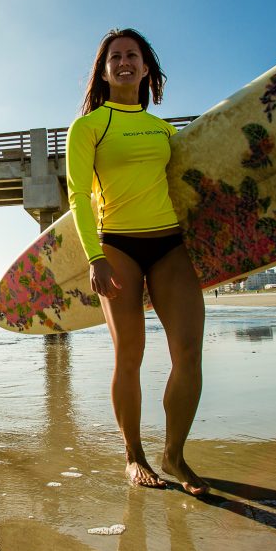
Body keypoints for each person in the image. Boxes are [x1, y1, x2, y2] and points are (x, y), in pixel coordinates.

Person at [66, 28, 208, 496]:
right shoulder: (89, 126)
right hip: (118, 247)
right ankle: (134, 456)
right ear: (103, 71)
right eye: (115, 57)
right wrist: (94, 257)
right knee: (130, 354)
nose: (124, 62)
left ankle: (175, 455)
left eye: (133, 55)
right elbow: (78, 198)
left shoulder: (165, 130)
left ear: (146, 68)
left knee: (188, 353)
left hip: (169, 244)